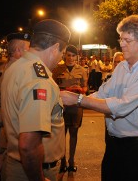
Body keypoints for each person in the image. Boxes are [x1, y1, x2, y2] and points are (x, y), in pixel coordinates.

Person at [60, 15, 138, 181]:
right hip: (114, 145)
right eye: (121, 39)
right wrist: (70, 100)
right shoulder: (122, 67)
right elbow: (102, 94)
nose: (121, 44)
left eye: (127, 40)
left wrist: (78, 100)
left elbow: (122, 106)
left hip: (136, 149)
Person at [1, 19, 71, 181]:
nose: (60, 59)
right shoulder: (40, 79)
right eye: (62, 53)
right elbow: (28, 144)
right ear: (54, 49)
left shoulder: (16, 67)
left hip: (15, 164)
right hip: (32, 171)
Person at [0, 32, 31, 181]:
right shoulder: (23, 70)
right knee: (13, 157)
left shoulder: (3, 68)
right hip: (14, 121)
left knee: (3, 154)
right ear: (18, 51)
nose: (30, 52)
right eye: (27, 48)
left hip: (1, 119)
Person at [52, 45, 88, 178]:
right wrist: (65, 90)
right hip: (61, 106)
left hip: (75, 106)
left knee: (73, 133)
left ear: (76, 57)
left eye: (73, 56)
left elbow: (85, 88)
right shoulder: (57, 69)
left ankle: (71, 160)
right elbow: (52, 86)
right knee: (61, 135)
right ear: (65, 56)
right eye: (68, 55)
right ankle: (62, 161)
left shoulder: (82, 70)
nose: (71, 58)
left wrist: (79, 89)